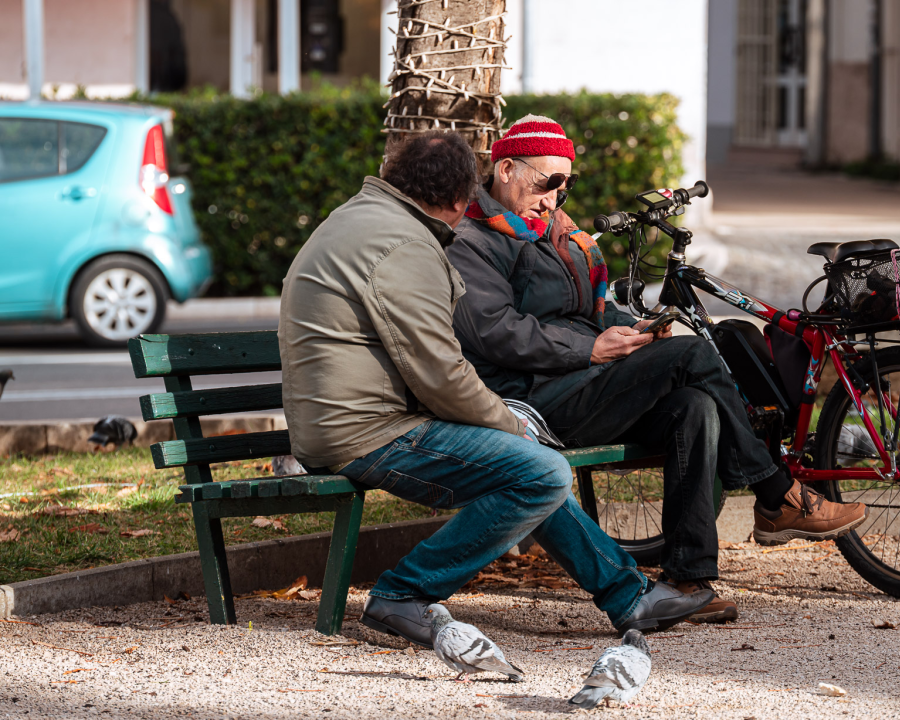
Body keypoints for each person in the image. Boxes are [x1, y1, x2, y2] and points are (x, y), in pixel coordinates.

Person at [277, 130, 712, 648]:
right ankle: (402, 593)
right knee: (541, 469)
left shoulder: (361, 216)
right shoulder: (404, 245)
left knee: (526, 467)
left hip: (354, 418)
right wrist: (508, 424)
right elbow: (439, 372)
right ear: (460, 200)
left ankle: (627, 597)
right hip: (368, 431)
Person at [446, 115, 868, 624]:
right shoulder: (471, 239)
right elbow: (494, 330)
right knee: (693, 355)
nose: (555, 197)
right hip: (533, 400)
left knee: (693, 408)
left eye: (566, 184)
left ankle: (689, 579)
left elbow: (591, 308)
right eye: (546, 183)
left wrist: (637, 327)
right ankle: (775, 492)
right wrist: (591, 350)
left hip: (586, 380)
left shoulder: (553, 229)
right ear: (506, 168)